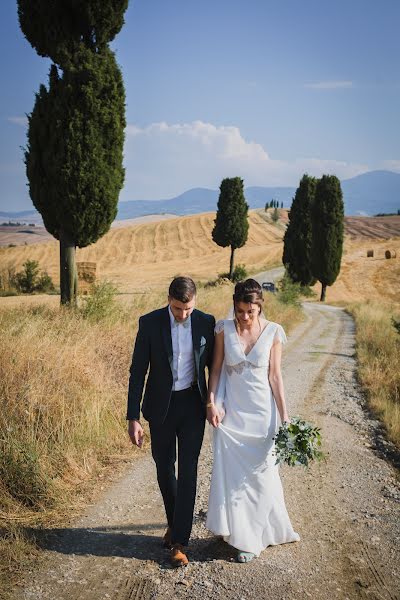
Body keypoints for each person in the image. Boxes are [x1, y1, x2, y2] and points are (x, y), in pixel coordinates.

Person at [206, 278, 299, 562]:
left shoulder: (273, 333)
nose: (245, 317)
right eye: (240, 311)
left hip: (263, 417)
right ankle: (239, 533)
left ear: (260, 307)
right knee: (233, 477)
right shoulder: (223, 329)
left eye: (251, 311)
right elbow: (217, 370)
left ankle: (257, 535)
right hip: (232, 416)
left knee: (262, 476)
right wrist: (212, 403)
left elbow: (275, 376)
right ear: (234, 306)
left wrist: (285, 417)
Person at [126, 276, 215, 567]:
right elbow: (137, 371)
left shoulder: (206, 323)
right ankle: (175, 524)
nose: (183, 315)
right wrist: (133, 416)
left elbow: (215, 368)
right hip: (160, 408)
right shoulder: (149, 323)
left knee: (189, 471)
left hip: (192, 405)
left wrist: (217, 402)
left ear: (195, 302)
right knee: (165, 468)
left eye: (187, 309)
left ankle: (179, 542)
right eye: (178, 309)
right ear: (169, 300)